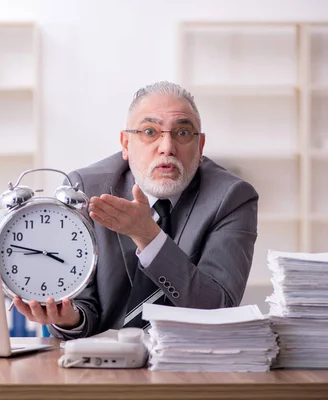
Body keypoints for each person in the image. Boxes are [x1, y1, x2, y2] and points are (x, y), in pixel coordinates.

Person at [13, 81, 258, 339]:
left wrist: (149, 238)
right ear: (126, 144)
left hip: (191, 359)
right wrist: (70, 319)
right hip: (107, 363)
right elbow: (82, 306)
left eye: (183, 133)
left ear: (200, 147)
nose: (167, 147)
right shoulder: (85, 189)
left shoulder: (232, 197)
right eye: (150, 131)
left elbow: (220, 309)